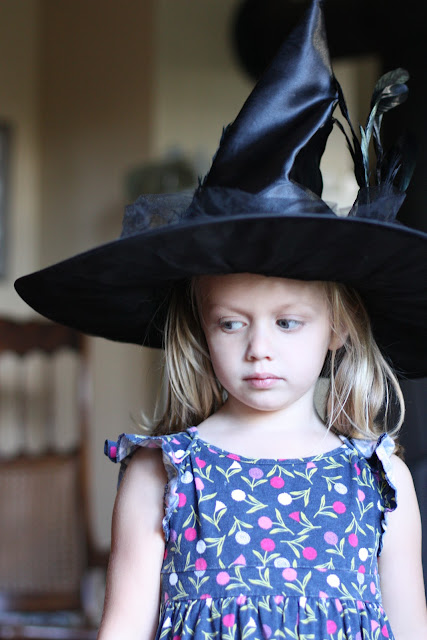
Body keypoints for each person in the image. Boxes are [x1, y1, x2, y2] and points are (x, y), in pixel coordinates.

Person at [14, 1, 427, 638]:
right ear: (201, 330)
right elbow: (121, 628)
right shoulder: (164, 472)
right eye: (231, 323)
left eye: (288, 323)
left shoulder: (380, 480)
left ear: (339, 328)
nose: (259, 348)